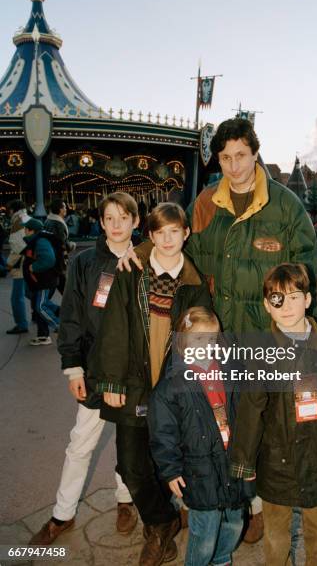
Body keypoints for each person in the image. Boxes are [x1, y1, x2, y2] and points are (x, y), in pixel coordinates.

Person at [118, 118, 317, 542]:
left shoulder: (285, 208)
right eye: (225, 157)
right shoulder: (206, 202)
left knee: (262, 423)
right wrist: (136, 251)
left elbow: (305, 277)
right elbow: (174, 238)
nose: (233, 165)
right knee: (210, 420)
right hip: (214, 337)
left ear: (255, 153)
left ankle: (256, 505)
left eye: (240, 156)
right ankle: (208, 497)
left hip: (264, 337)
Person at [95, 202, 211, 566]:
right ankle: (164, 521)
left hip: (172, 389)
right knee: (131, 464)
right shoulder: (131, 270)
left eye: (174, 231)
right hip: (133, 383)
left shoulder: (194, 284)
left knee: (166, 461)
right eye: (159, 232)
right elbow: (113, 325)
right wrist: (111, 379)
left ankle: (158, 532)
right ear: (151, 235)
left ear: (185, 234)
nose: (167, 239)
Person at [230, 263, 317, 566]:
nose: (287, 307)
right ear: (267, 306)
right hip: (276, 463)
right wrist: (244, 459)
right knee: (276, 537)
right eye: (278, 299)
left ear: (308, 299)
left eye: (294, 297)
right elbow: (252, 407)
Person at [29, 192, 139, 545]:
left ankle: (126, 501)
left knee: (130, 442)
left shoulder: (147, 260)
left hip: (135, 372)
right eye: (110, 218)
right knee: (81, 443)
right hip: (94, 368)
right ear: (101, 222)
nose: (117, 224)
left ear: (136, 221)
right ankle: (63, 513)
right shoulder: (85, 261)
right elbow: (72, 315)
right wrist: (73, 368)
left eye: (124, 217)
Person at [148, 307, 251, 566]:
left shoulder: (232, 368)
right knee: (204, 529)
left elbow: (249, 413)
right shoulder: (171, 384)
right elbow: (163, 432)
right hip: (199, 467)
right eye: (197, 339)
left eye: (211, 339)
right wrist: (171, 470)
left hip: (232, 460)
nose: (205, 346)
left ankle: (222, 558)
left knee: (235, 520)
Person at [21, 219, 60, 346]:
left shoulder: (40, 241)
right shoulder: (36, 240)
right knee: (40, 306)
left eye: (26, 229)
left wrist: (33, 267)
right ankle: (43, 335)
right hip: (40, 281)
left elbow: (49, 259)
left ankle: (61, 327)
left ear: (32, 230)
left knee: (40, 306)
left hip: (44, 281)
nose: (24, 231)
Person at [5, 200, 30, 334]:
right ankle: (49, 311)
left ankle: (21, 324)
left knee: (16, 297)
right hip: (31, 262)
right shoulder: (28, 218)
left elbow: (17, 248)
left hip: (21, 265)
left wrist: (8, 264)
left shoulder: (17, 223)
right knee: (31, 293)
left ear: (12, 210)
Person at [44, 199, 76, 294]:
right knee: (62, 287)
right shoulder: (58, 224)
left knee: (57, 285)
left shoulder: (49, 220)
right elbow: (61, 243)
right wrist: (71, 245)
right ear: (60, 209)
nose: (66, 209)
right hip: (58, 260)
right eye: (64, 207)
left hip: (51, 258)